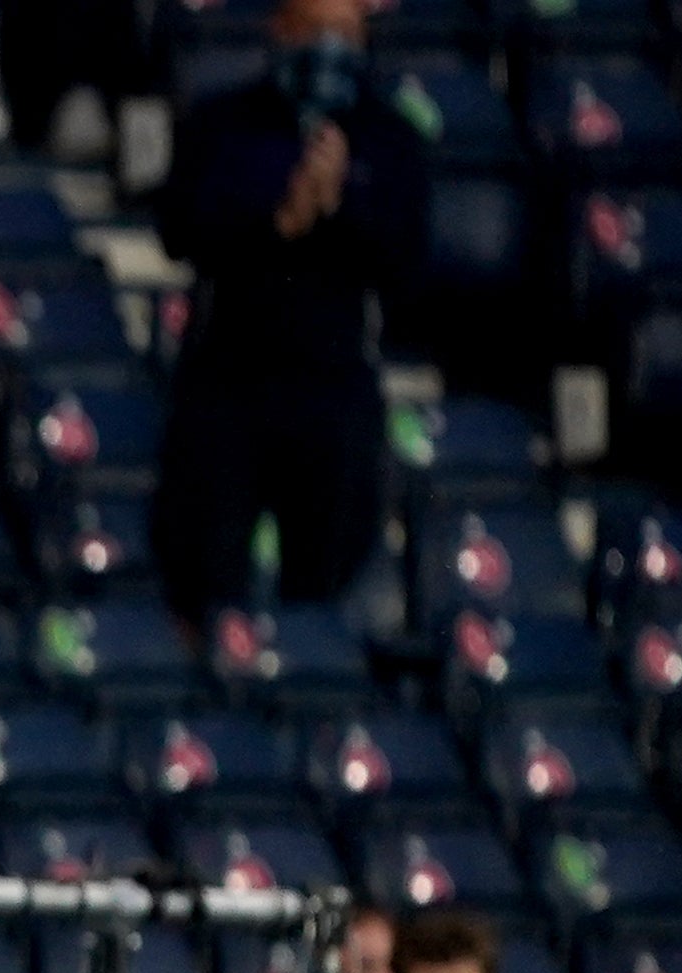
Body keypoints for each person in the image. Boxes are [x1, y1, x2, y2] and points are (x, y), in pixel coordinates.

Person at [153, 0, 428, 623]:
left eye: (344, 36)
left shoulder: (388, 137)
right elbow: (182, 229)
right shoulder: (223, 122)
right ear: (280, 31)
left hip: (331, 388)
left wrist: (335, 210)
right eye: (316, 32)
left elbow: (404, 265)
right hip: (228, 381)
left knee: (324, 587)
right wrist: (279, 221)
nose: (330, 50)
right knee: (204, 582)